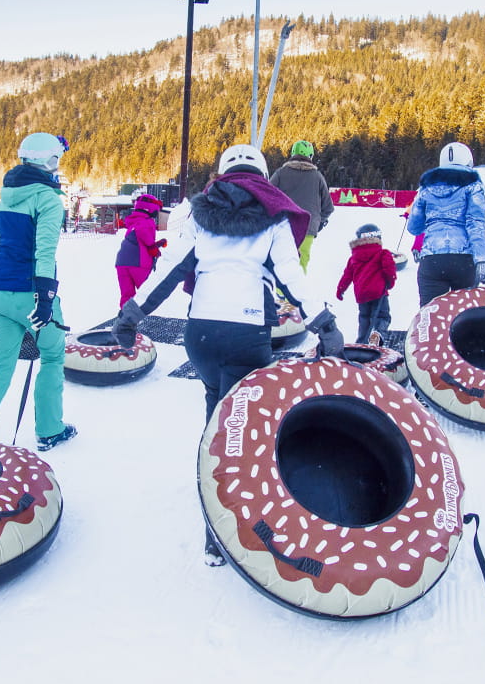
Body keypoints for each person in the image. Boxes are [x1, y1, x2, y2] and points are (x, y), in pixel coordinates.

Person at [111, 143, 340, 566]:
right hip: (247, 334)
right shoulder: (273, 216)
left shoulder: (201, 215)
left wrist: (132, 314)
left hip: (200, 336)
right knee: (240, 435)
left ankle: (213, 509)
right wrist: (323, 324)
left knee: (215, 420)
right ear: (262, 175)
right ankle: (220, 531)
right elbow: (291, 277)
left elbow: (171, 269)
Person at [0, 132, 77, 452]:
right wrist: (46, 297)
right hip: (30, 292)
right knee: (52, 356)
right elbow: (45, 252)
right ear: (48, 161)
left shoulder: (9, 191)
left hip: (0, 292)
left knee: (0, 365)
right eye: (56, 159)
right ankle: (50, 429)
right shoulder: (47, 199)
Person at [406, 142, 485, 307]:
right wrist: (483, 259)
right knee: (465, 315)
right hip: (463, 259)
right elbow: (476, 223)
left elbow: (413, 227)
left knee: (431, 315)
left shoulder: (425, 187)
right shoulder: (474, 186)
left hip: (432, 258)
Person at [268, 139, 334, 271]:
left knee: (282, 259)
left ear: (293, 153)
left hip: (283, 225)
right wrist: (320, 222)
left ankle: (279, 289)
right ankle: (296, 288)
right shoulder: (317, 176)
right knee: (301, 261)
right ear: (310, 156)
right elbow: (328, 207)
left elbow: (267, 195)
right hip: (308, 226)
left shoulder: (281, 173)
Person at [336, 223, 397, 346]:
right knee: (382, 316)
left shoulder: (354, 257)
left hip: (362, 294)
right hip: (379, 292)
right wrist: (390, 281)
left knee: (364, 317)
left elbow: (347, 275)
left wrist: (340, 289)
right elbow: (389, 268)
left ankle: (363, 340)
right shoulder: (383, 253)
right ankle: (377, 334)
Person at [114, 193, 166, 308]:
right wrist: (153, 248)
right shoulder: (146, 221)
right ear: (149, 208)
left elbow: (138, 240)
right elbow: (142, 232)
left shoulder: (133, 221)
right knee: (145, 293)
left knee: (127, 295)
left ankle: (125, 319)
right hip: (138, 263)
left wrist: (156, 244)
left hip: (122, 263)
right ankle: (140, 319)